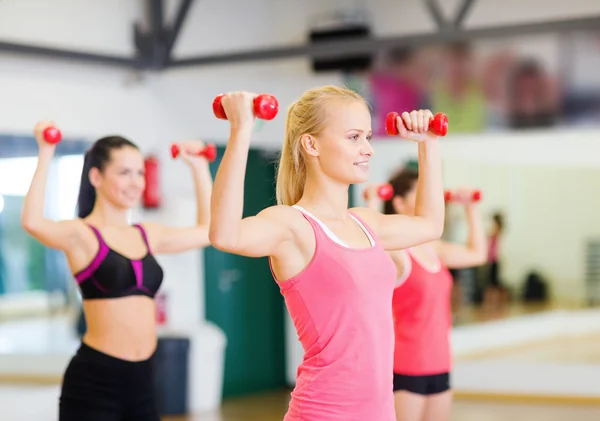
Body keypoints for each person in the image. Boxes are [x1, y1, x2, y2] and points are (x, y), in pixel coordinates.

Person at [209, 86, 445, 421]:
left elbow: (431, 225)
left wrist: (428, 144)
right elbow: (225, 234)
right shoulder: (293, 225)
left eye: (367, 137)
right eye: (353, 137)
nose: (367, 150)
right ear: (311, 144)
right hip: (323, 412)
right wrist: (241, 130)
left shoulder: (365, 222)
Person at [21, 121, 213, 421]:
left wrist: (200, 168)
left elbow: (209, 232)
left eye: (140, 172)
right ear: (96, 176)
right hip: (95, 382)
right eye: (124, 173)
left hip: (144, 379)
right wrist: (46, 151)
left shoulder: (146, 233)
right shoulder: (81, 235)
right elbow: (33, 222)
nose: (136, 182)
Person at [365, 169, 487, 421]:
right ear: (399, 203)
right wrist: (372, 202)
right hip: (407, 364)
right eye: (420, 194)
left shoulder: (433, 248)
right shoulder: (397, 252)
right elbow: (371, 244)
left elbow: (477, 254)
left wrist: (471, 208)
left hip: (440, 361)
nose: (429, 199)